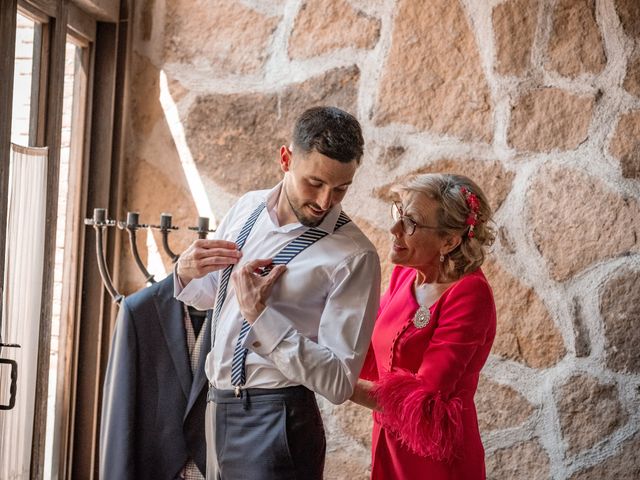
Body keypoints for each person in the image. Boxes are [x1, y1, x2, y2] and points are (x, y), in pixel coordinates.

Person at [174, 106, 381, 480]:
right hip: (216, 407)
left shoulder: (354, 256)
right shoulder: (246, 207)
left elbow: (338, 382)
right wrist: (185, 272)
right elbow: (213, 298)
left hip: (278, 422)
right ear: (285, 159)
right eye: (314, 183)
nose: (324, 202)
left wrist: (263, 318)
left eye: (341, 189)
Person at [350, 173, 497, 479]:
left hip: (436, 460)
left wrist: (338, 385)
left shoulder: (470, 294)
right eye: (398, 214)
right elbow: (363, 343)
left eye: (411, 222)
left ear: (449, 241)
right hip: (389, 443)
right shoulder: (406, 276)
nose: (394, 229)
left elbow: (424, 399)